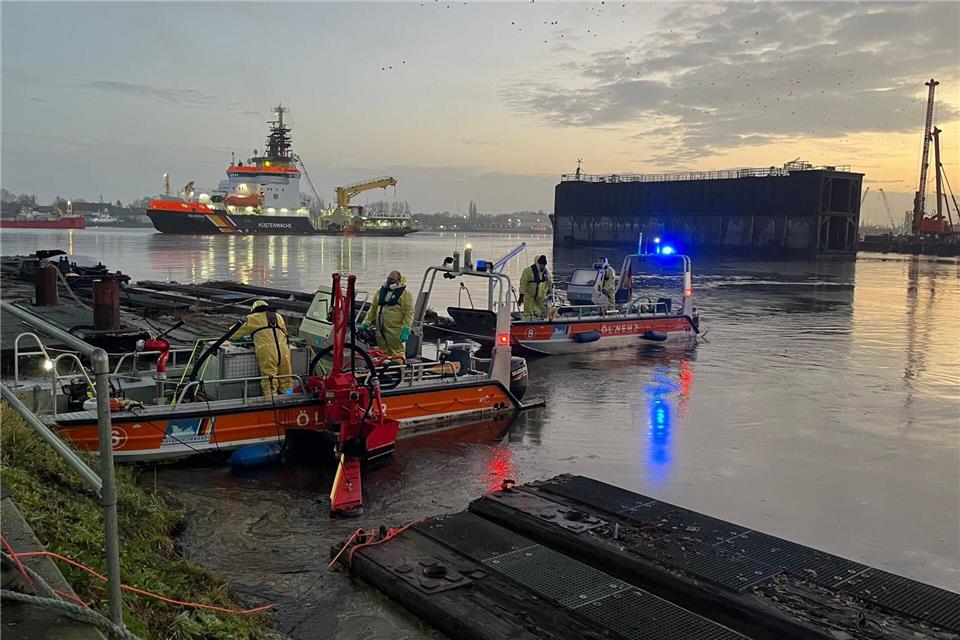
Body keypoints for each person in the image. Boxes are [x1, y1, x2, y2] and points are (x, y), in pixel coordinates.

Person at [232, 300, 293, 395]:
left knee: (270, 380)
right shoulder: (278, 317)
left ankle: (272, 401)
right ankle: (289, 396)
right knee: (286, 378)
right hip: (284, 350)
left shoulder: (252, 318)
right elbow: (284, 333)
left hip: (267, 352)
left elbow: (233, 333)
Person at [359, 270, 414, 358]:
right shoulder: (380, 292)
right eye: (388, 279)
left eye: (392, 280)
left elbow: (409, 313)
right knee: (383, 352)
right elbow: (373, 309)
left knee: (397, 352)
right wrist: (365, 322)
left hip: (395, 330)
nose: (389, 281)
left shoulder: (405, 294)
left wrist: (406, 329)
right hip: (380, 329)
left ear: (398, 280)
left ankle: (399, 368)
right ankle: (385, 366)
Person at [519, 255, 553, 320]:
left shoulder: (546, 273)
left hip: (540, 296)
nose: (543, 266)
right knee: (528, 312)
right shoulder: (529, 271)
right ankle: (528, 322)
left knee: (541, 310)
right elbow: (523, 283)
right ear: (538, 263)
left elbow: (549, 283)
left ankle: (540, 321)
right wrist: (521, 295)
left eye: (544, 265)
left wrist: (550, 293)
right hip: (529, 296)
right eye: (541, 264)